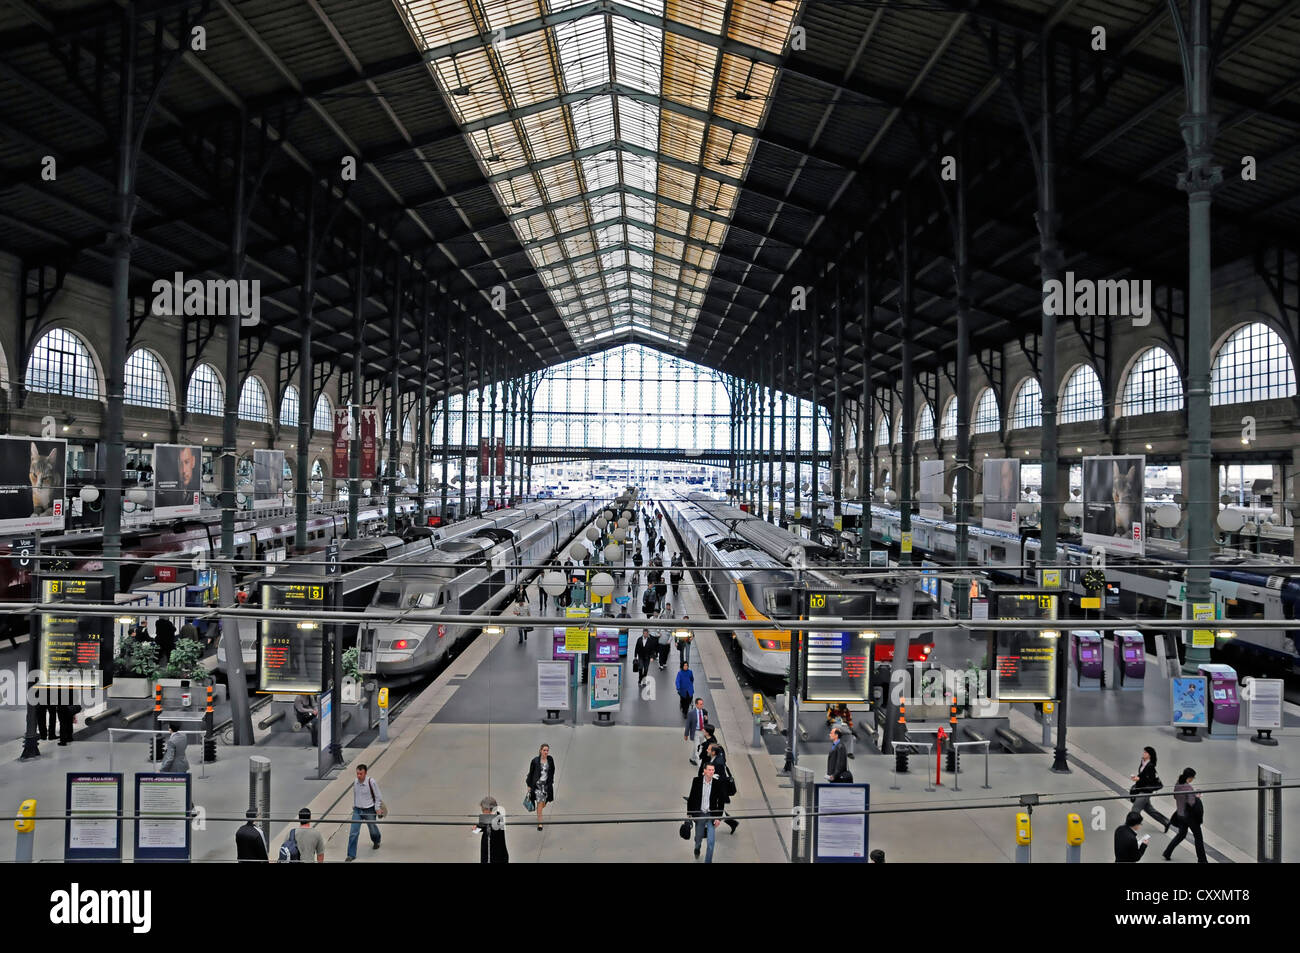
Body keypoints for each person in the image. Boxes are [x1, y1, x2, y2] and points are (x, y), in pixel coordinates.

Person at [1163, 768, 1208, 862]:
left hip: (1180, 815)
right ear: (1190, 777)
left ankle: (1167, 852)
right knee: (1198, 838)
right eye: (1193, 777)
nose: (1193, 779)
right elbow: (1192, 803)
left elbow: (1175, 796)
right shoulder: (1188, 788)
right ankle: (1202, 860)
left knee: (1181, 834)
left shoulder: (1177, 784)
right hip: (1189, 817)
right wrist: (1197, 797)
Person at [686, 763, 727, 862]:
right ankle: (697, 847)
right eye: (709, 770)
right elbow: (691, 797)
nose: (711, 772)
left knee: (711, 842)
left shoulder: (717, 784)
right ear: (704, 771)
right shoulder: (697, 781)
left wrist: (718, 818)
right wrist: (689, 813)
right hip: (700, 814)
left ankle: (708, 861)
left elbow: (721, 802)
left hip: (711, 815)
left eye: (713, 770)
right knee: (698, 837)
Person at [699, 741, 739, 834]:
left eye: (708, 749)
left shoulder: (718, 763)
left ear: (713, 752)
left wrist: (710, 776)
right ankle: (732, 823)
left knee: (714, 811)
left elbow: (722, 779)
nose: (707, 750)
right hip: (716, 791)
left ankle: (708, 831)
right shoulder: (716, 759)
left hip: (719, 793)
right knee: (716, 811)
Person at [346, 763, 383, 861]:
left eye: (360, 774)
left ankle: (377, 840)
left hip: (369, 809)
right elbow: (356, 794)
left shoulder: (371, 782)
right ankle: (351, 855)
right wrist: (355, 805)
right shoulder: (355, 782)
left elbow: (378, 796)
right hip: (357, 810)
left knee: (372, 829)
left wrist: (377, 808)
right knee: (353, 832)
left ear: (365, 773)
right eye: (357, 773)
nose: (358, 776)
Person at [1129, 745, 1165, 825]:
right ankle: (1166, 822)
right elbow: (1143, 775)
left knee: (1135, 810)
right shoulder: (1143, 762)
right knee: (1149, 809)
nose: (1143, 753)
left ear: (1149, 755)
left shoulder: (1150, 766)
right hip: (1141, 788)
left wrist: (1139, 779)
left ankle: (1130, 826)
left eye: (1145, 752)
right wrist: (1137, 777)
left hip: (1145, 791)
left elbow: (1150, 780)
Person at [525, 743, 556, 830]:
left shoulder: (550, 760)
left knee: (543, 803)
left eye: (547, 750)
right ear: (540, 751)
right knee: (539, 803)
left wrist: (551, 781)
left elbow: (553, 770)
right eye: (544, 750)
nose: (546, 752)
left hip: (546, 785)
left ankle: (539, 812)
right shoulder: (535, 761)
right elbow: (531, 773)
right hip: (537, 785)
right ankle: (540, 823)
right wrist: (529, 785)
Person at [477, 796, 509, 863]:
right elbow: (483, 824)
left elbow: (490, 830)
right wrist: (478, 827)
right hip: (492, 853)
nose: (482, 812)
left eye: (483, 810)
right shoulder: (496, 815)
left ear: (488, 810)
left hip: (494, 855)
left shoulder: (496, 819)